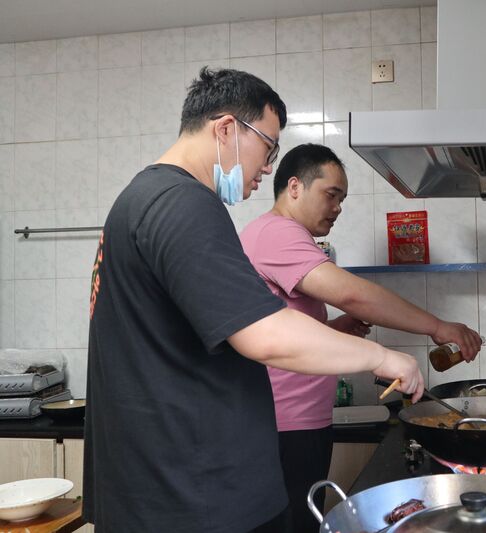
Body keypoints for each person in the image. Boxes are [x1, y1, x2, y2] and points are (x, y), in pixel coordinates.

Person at [82, 68, 424, 533]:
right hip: (190, 497)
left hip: (159, 490)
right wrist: (382, 356)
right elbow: (265, 334)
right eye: (268, 147)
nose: (268, 167)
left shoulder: (138, 200)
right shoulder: (183, 203)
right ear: (226, 129)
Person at [239, 143, 483, 533]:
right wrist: (438, 327)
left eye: (342, 199)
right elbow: (353, 294)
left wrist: (337, 328)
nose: (337, 208)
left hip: (297, 421)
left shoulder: (282, 235)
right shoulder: (277, 233)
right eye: (331, 195)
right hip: (285, 426)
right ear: (295, 186)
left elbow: (285, 328)